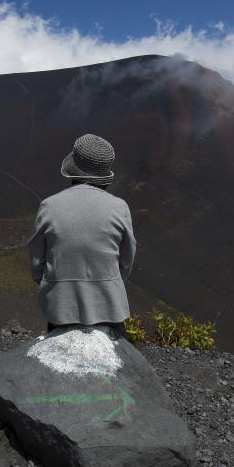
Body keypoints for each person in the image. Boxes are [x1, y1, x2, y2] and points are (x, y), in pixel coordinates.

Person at [27, 134, 136, 337]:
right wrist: (110, 281)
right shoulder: (119, 207)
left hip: (60, 308)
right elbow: (126, 259)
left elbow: (36, 257)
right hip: (109, 306)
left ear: (72, 170)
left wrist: (46, 281)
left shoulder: (49, 206)